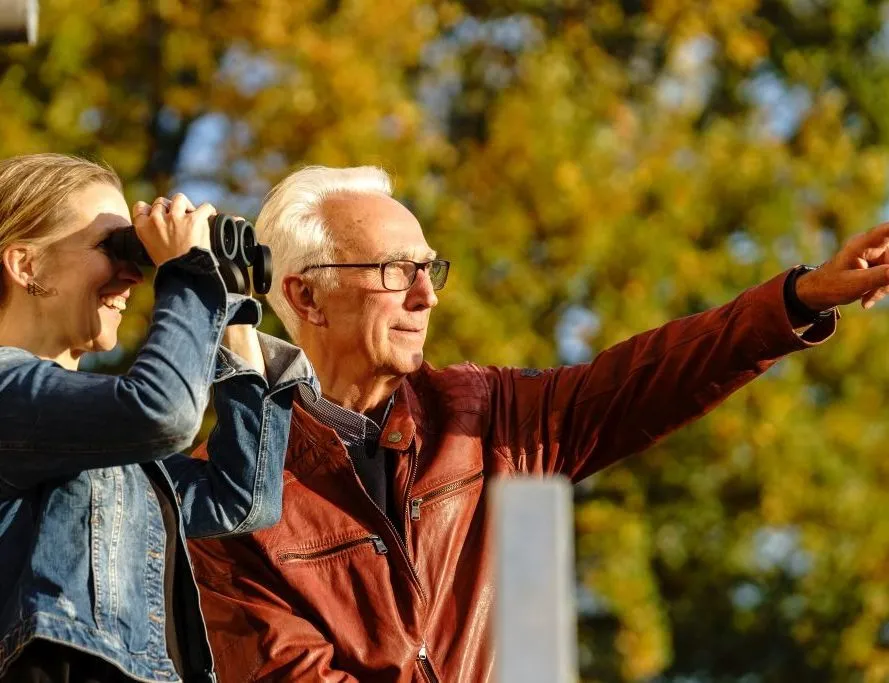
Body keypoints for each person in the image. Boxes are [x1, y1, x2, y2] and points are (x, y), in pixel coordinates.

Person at [187, 165, 889, 683]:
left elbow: (646, 377)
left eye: (430, 268)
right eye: (395, 271)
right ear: (306, 296)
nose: (427, 294)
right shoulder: (221, 492)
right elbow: (284, 674)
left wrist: (795, 299)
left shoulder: (485, 413)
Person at [0, 153, 313, 682]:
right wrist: (185, 271)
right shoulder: (9, 393)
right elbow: (162, 412)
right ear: (26, 264)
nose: (131, 273)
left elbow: (241, 500)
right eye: (113, 248)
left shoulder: (97, 434)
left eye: (137, 254)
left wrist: (226, 299)